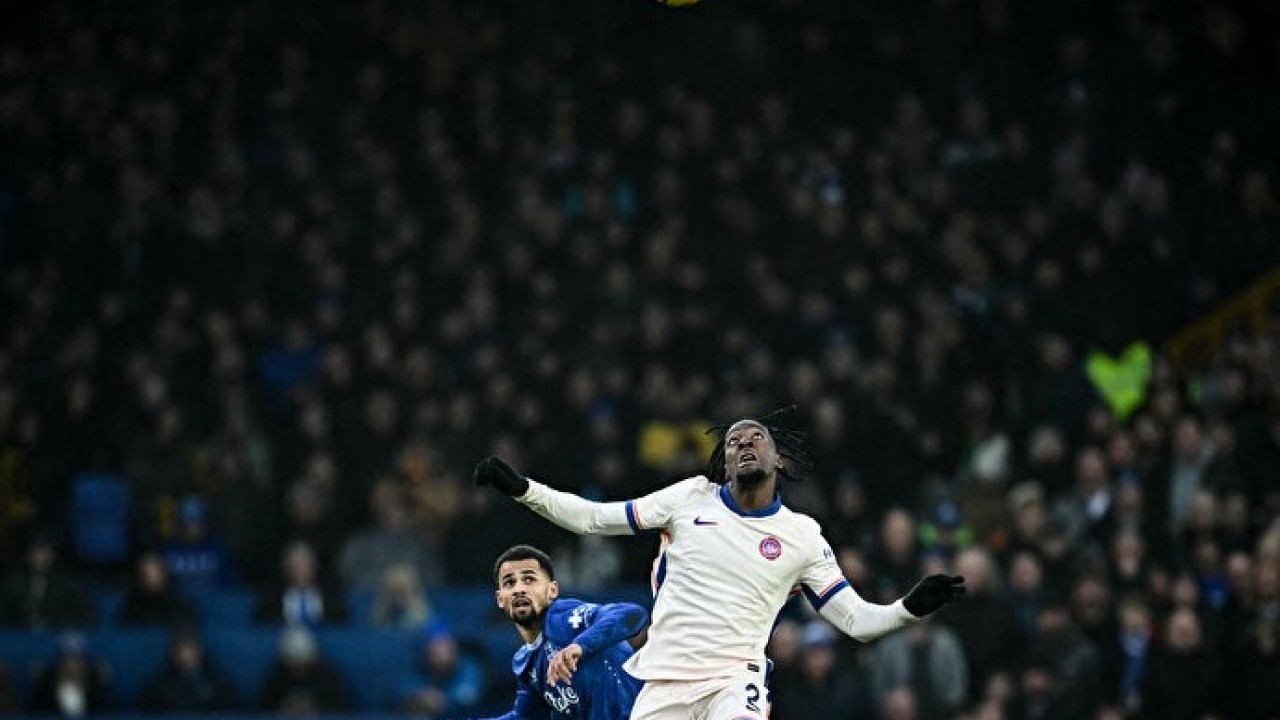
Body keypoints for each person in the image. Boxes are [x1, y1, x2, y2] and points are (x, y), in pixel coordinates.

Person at [474, 410, 966, 720]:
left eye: (756, 438)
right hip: (662, 681)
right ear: (724, 462)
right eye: (733, 441)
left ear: (779, 460)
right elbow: (593, 519)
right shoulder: (690, 499)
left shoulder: (801, 536)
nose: (744, 443)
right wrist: (524, 490)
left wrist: (908, 608)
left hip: (735, 679)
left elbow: (856, 622)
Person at [477, 544, 647, 720]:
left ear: (552, 591)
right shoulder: (525, 661)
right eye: (509, 583)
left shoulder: (564, 618)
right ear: (500, 599)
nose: (519, 589)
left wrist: (579, 646)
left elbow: (632, 614)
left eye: (529, 580)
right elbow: (526, 717)